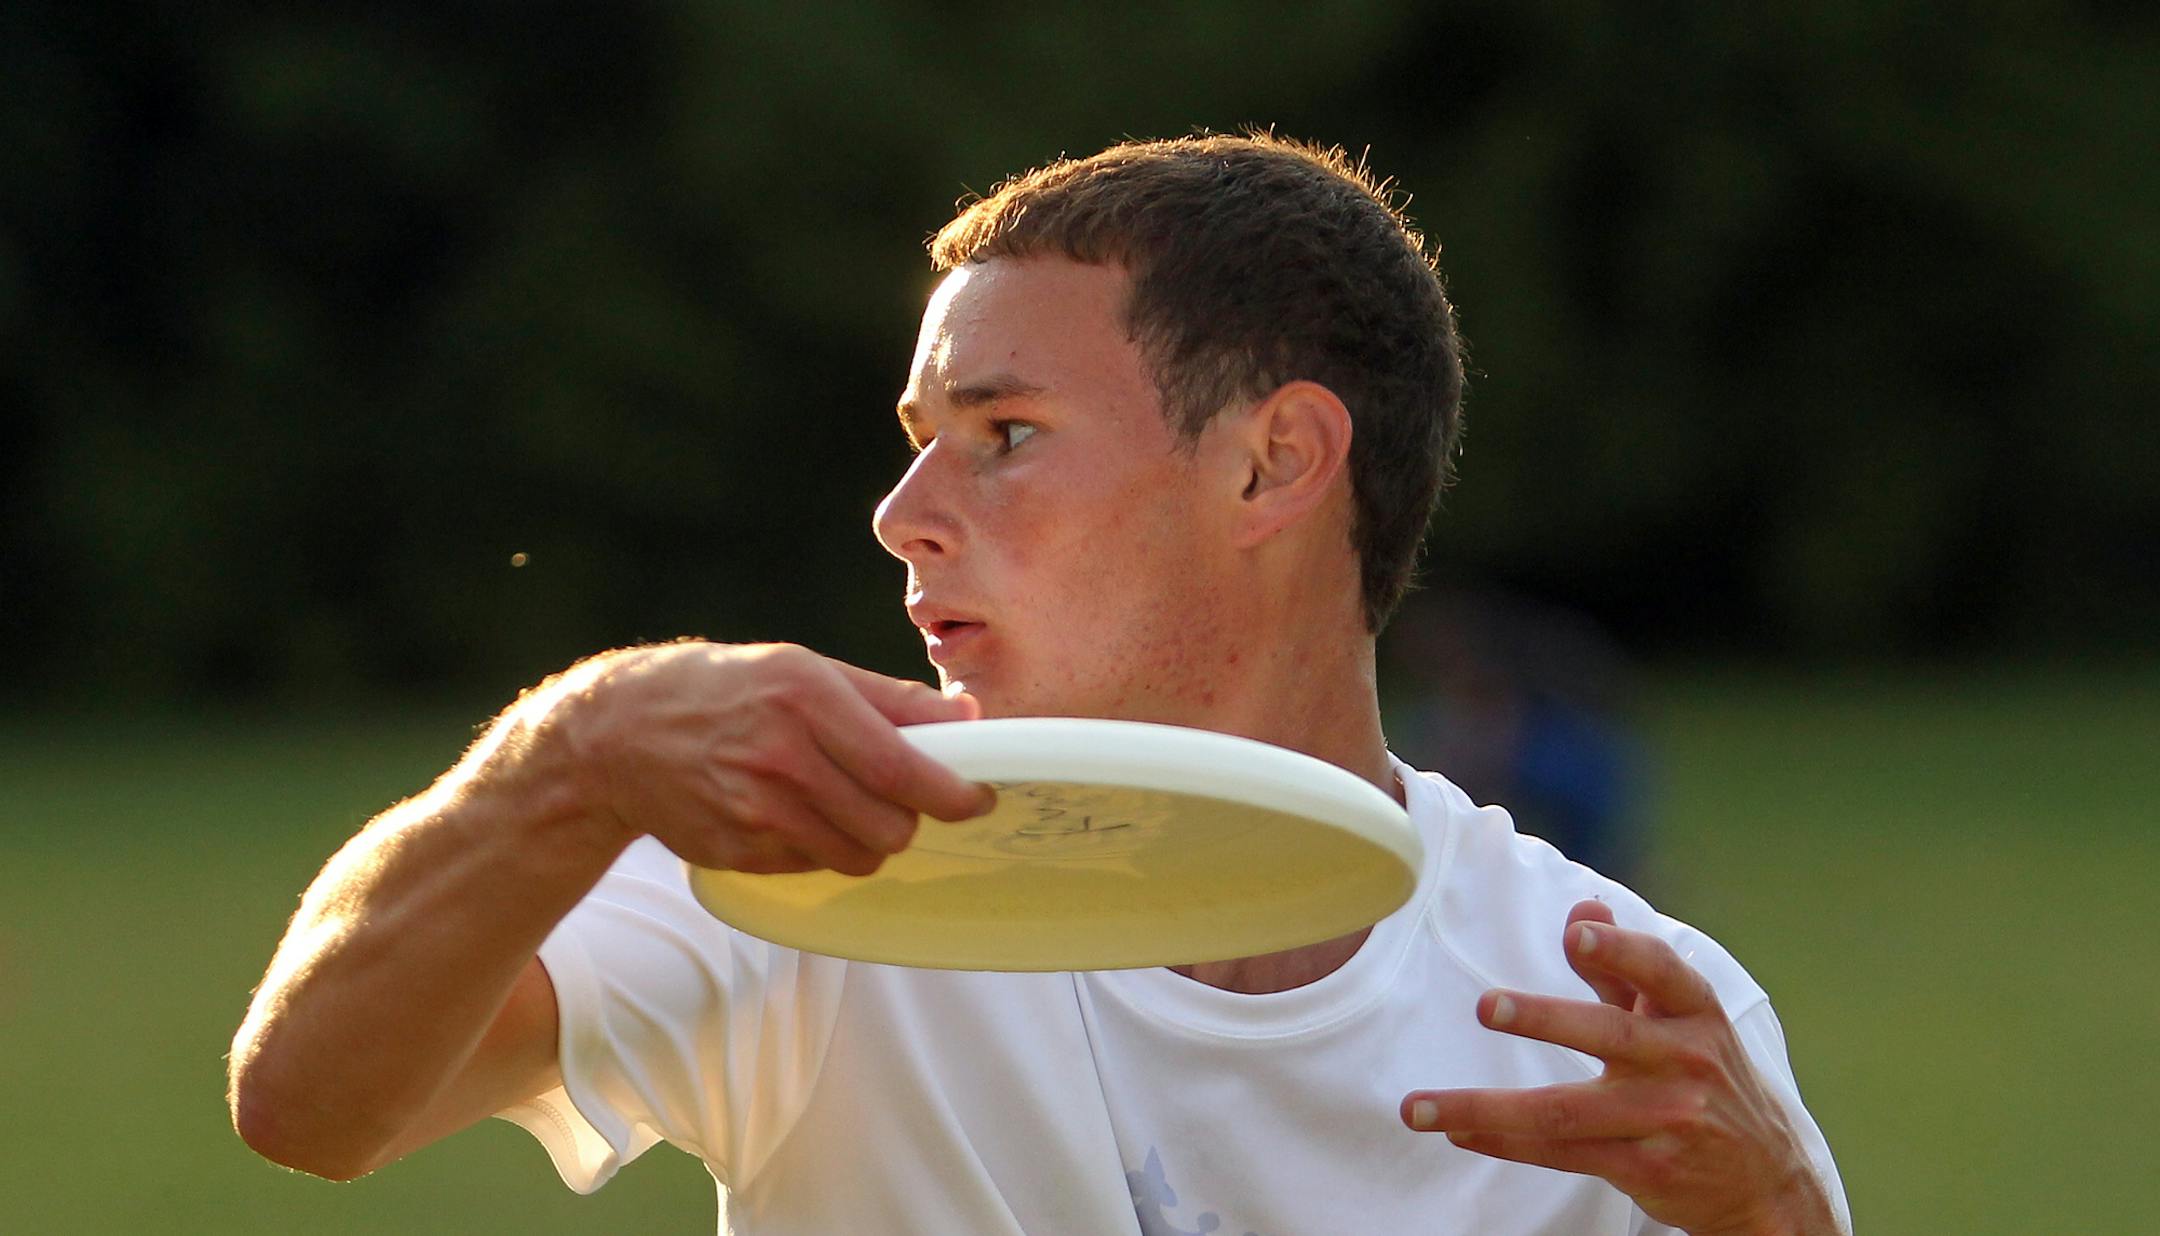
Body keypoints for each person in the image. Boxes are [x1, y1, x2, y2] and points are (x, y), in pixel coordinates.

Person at [228, 133, 1850, 1235]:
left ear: (1275, 462)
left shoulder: (1618, 1013)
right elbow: (311, 1108)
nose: (900, 518)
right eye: (916, 447)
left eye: (1002, 439)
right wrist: (562, 763)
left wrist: (1776, 1211)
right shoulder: (819, 857)